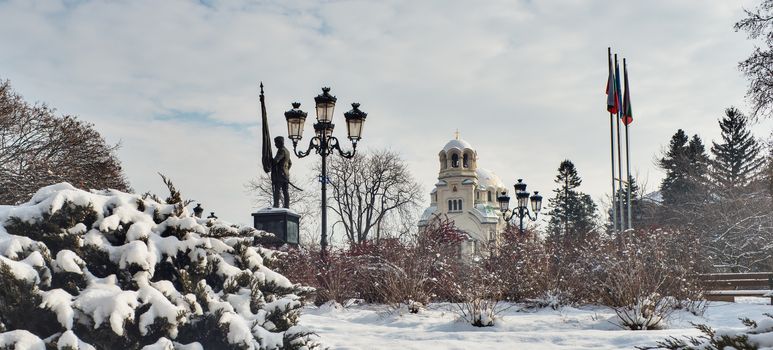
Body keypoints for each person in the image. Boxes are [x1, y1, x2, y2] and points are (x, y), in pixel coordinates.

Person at [271, 136, 292, 208]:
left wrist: (271, 160)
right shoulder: (287, 151)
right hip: (286, 175)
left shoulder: (281, 150)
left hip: (280, 174)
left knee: (277, 190)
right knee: (285, 191)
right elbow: (290, 163)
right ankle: (287, 206)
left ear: (279, 143)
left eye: (276, 143)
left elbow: (276, 160)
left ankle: (276, 205)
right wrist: (286, 170)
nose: (275, 145)